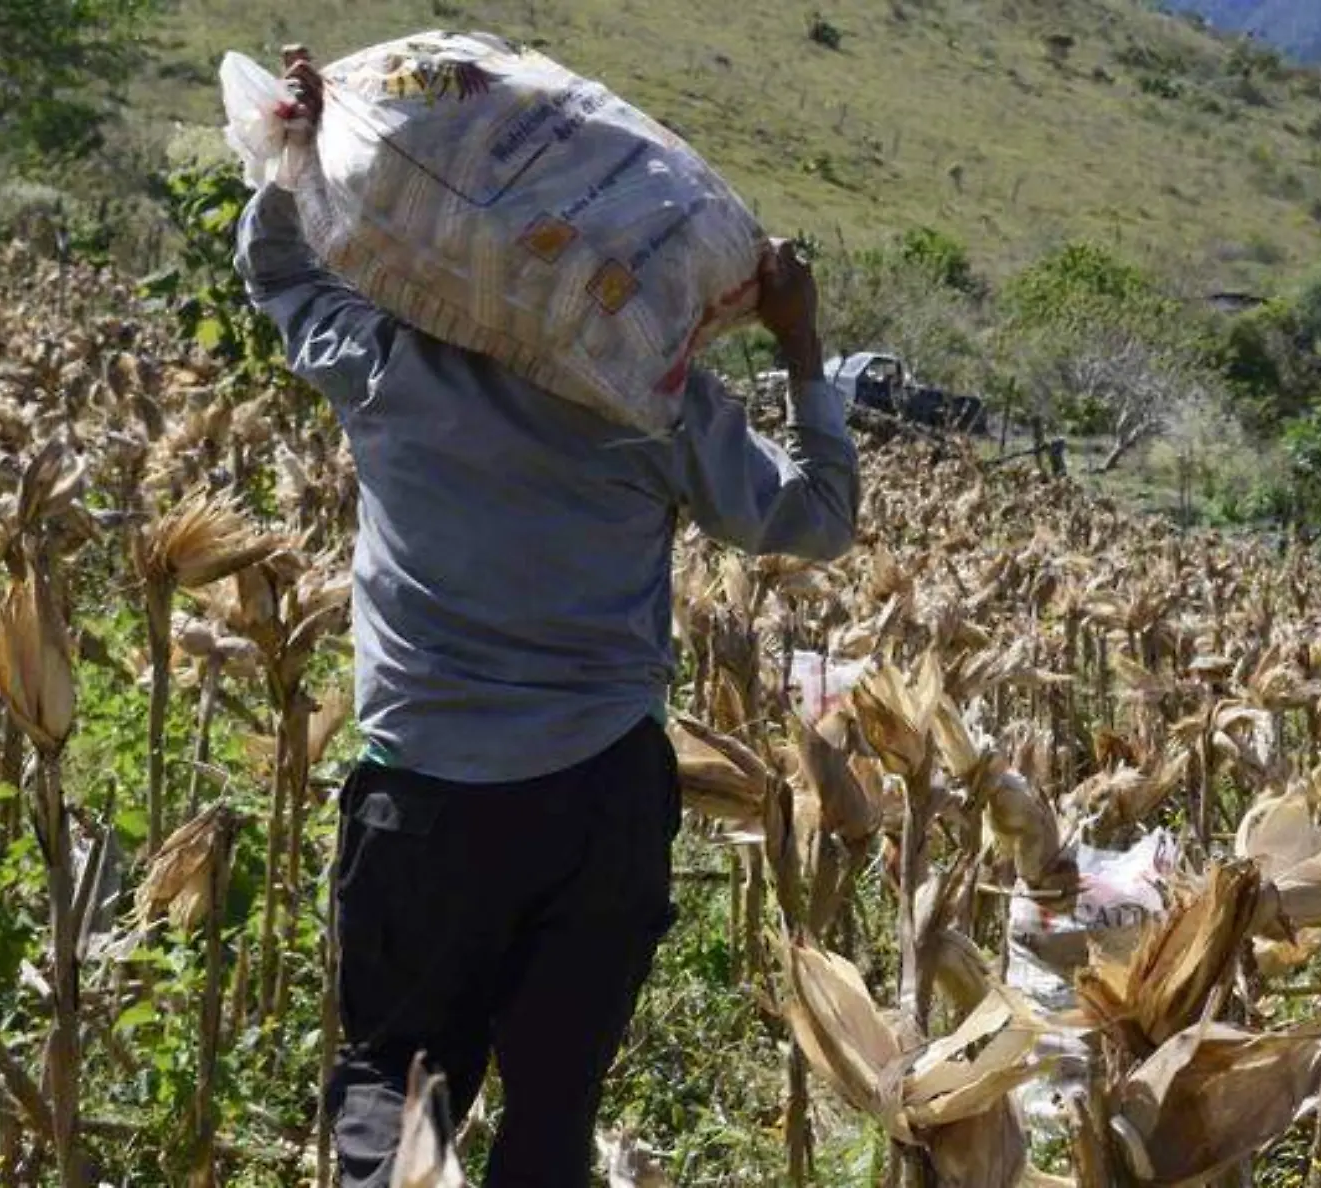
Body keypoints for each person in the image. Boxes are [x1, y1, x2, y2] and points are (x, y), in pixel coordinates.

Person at [233, 50, 859, 1188]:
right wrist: (800, 343)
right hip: (601, 808)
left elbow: (278, 268)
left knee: (390, 1089)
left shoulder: (387, 368)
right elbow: (817, 518)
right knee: (554, 1115)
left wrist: (296, 148)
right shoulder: (657, 412)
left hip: (425, 804)